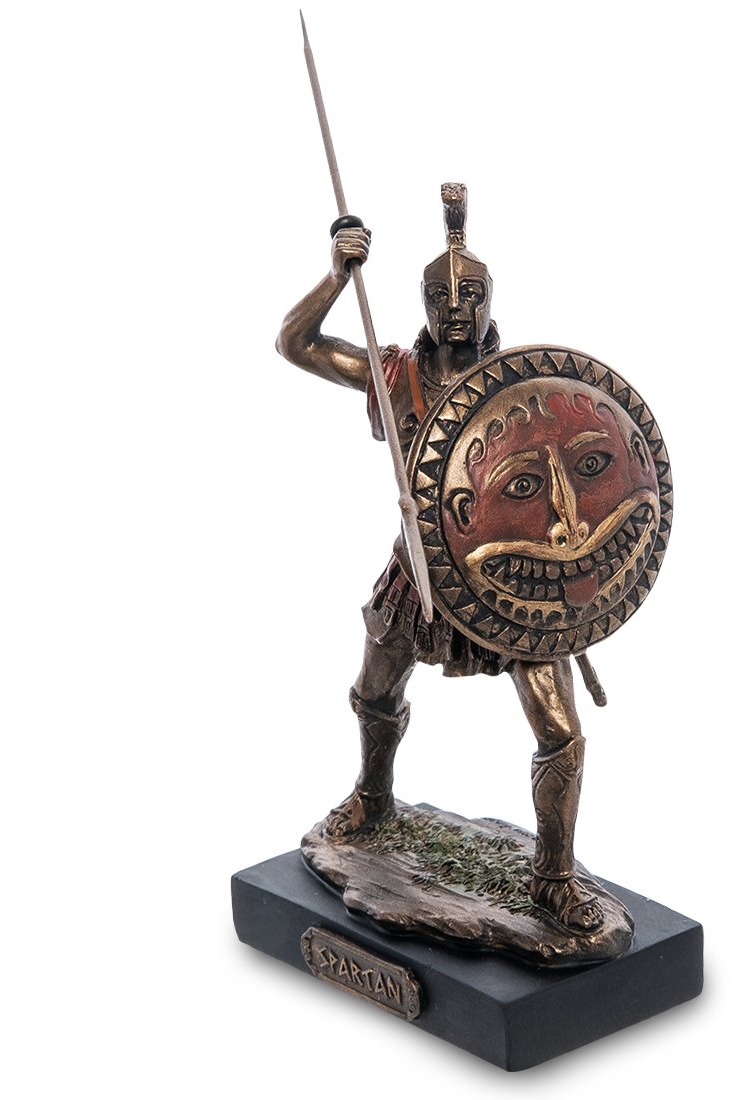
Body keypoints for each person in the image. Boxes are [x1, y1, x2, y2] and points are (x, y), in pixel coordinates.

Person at [276, 184, 603, 933]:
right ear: (422, 301)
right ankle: (372, 797)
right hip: (418, 570)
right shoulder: (395, 375)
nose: (456, 306)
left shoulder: (528, 387)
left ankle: (554, 878)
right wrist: (337, 275)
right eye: (440, 294)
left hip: (513, 577)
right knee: (374, 690)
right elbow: (296, 344)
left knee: (560, 732)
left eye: (472, 293)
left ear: (492, 298)